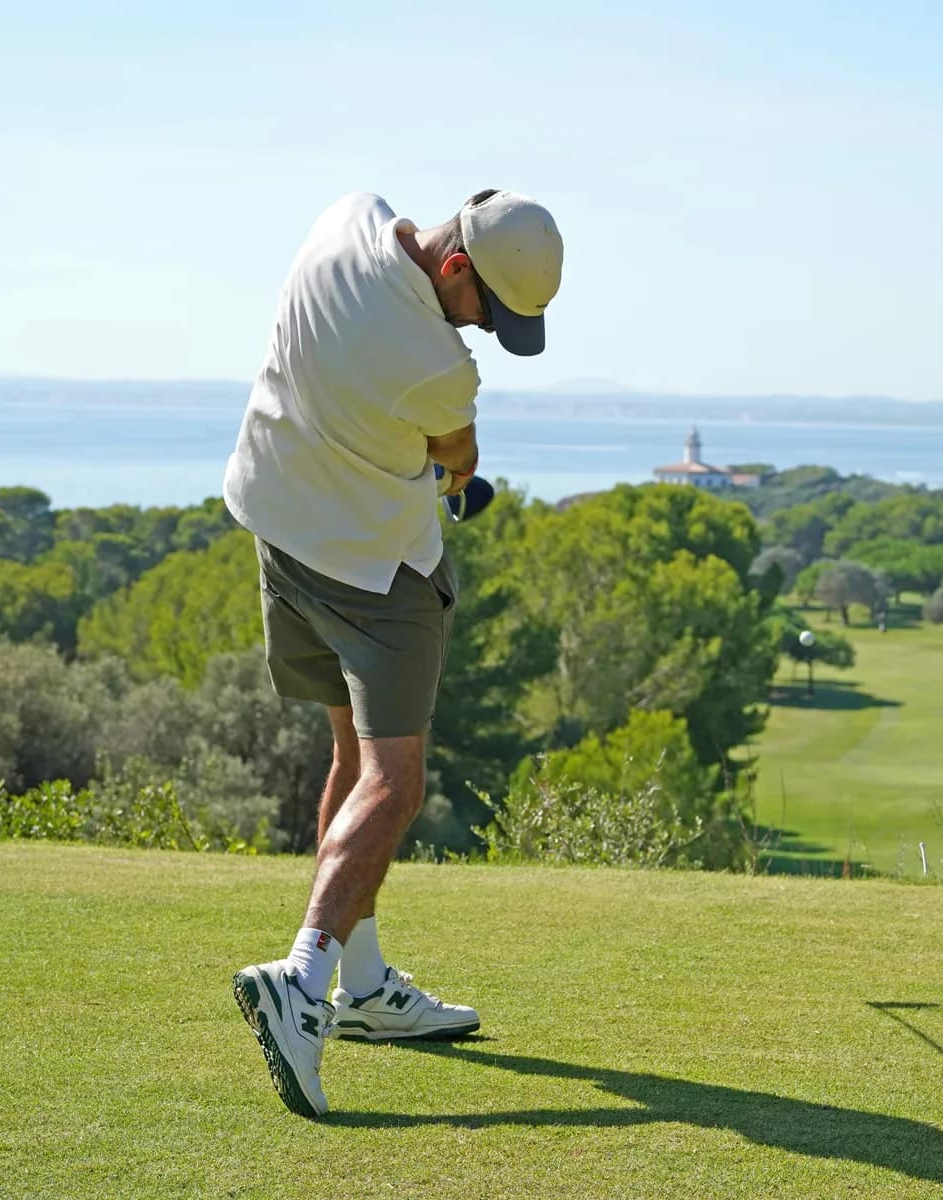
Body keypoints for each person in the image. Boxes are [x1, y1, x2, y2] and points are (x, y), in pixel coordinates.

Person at [223, 188, 562, 1118]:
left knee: (348, 759)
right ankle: (301, 980)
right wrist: (452, 471)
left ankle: (364, 990)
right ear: (457, 269)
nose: (485, 333)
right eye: (486, 313)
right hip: (375, 577)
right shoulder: (441, 371)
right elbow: (456, 451)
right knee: (396, 783)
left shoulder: (340, 220)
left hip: (279, 536)